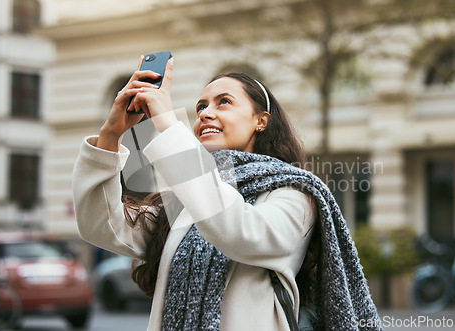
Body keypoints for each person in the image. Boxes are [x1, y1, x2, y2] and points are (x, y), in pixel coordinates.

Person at [72, 56, 382, 330]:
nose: (206, 113)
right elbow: (101, 225)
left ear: (261, 121)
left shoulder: (294, 193)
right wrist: (111, 135)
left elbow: (239, 230)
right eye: (201, 107)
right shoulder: (186, 198)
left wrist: (167, 124)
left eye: (224, 102)